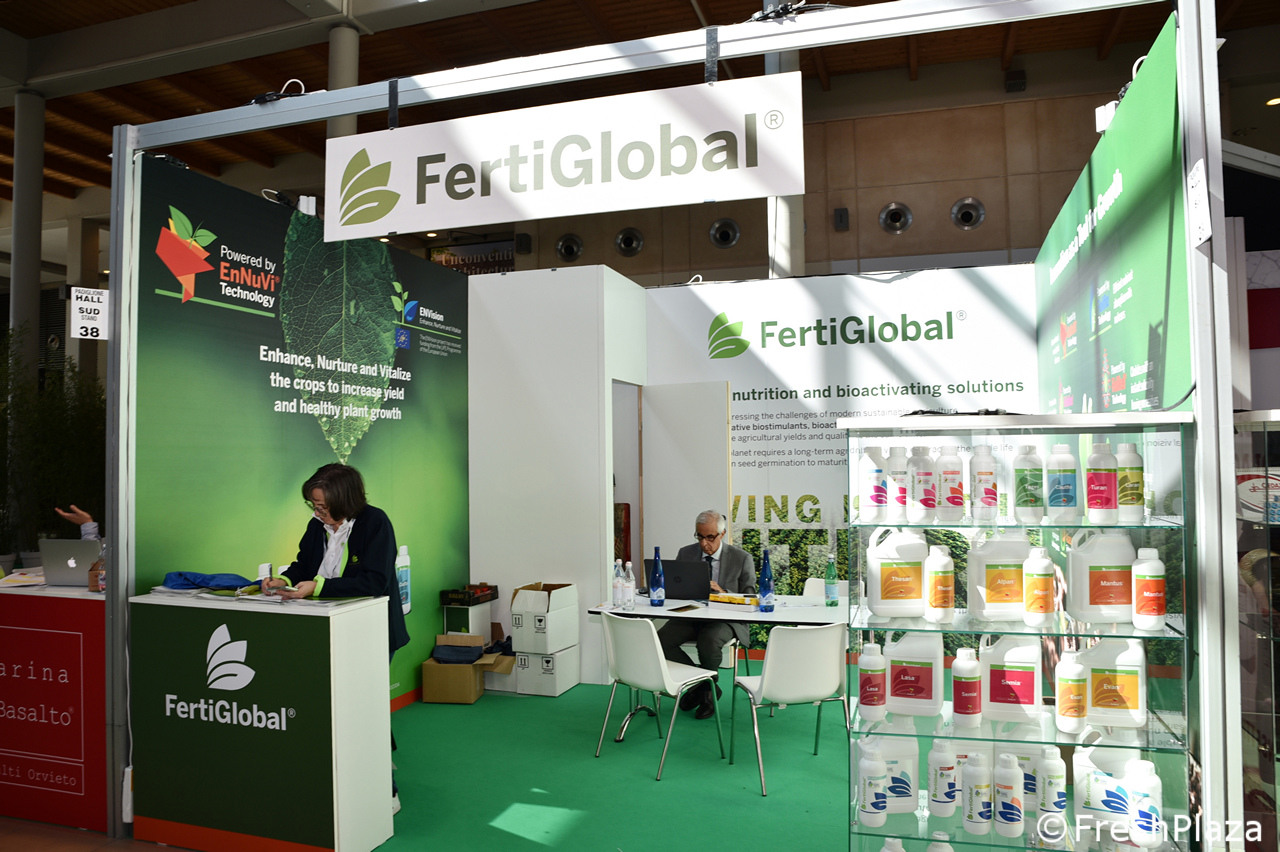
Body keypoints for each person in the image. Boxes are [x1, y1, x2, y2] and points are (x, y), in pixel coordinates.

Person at [262, 463, 409, 812]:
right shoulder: (316, 526)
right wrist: (284, 580)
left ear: (345, 499)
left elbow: (374, 581)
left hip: (371, 631)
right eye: (313, 505)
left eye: (324, 506)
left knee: (363, 710)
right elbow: (303, 564)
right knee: (347, 709)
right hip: (329, 628)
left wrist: (318, 588)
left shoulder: (375, 523)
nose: (318, 512)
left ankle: (386, 792)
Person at [658, 510, 756, 720]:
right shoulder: (686, 554)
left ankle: (704, 694)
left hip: (726, 618)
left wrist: (724, 593)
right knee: (661, 640)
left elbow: (751, 597)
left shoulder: (742, 558)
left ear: (722, 534)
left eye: (710, 537)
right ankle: (704, 687)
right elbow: (675, 589)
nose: (704, 543)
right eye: (700, 536)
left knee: (709, 640)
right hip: (692, 615)